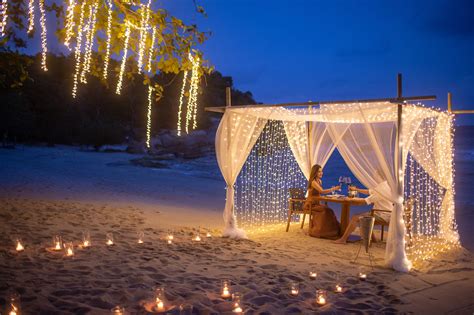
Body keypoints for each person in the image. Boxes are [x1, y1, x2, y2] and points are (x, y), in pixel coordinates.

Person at [305, 164, 341, 239]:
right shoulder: (313, 182)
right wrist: (334, 189)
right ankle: (323, 232)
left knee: (330, 210)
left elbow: (319, 193)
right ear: (315, 172)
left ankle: (333, 231)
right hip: (311, 204)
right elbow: (322, 191)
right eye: (319, 172)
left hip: (317, 203)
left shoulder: (319, 181)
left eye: (321, 171)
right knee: (326, 210)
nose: (321, 173)